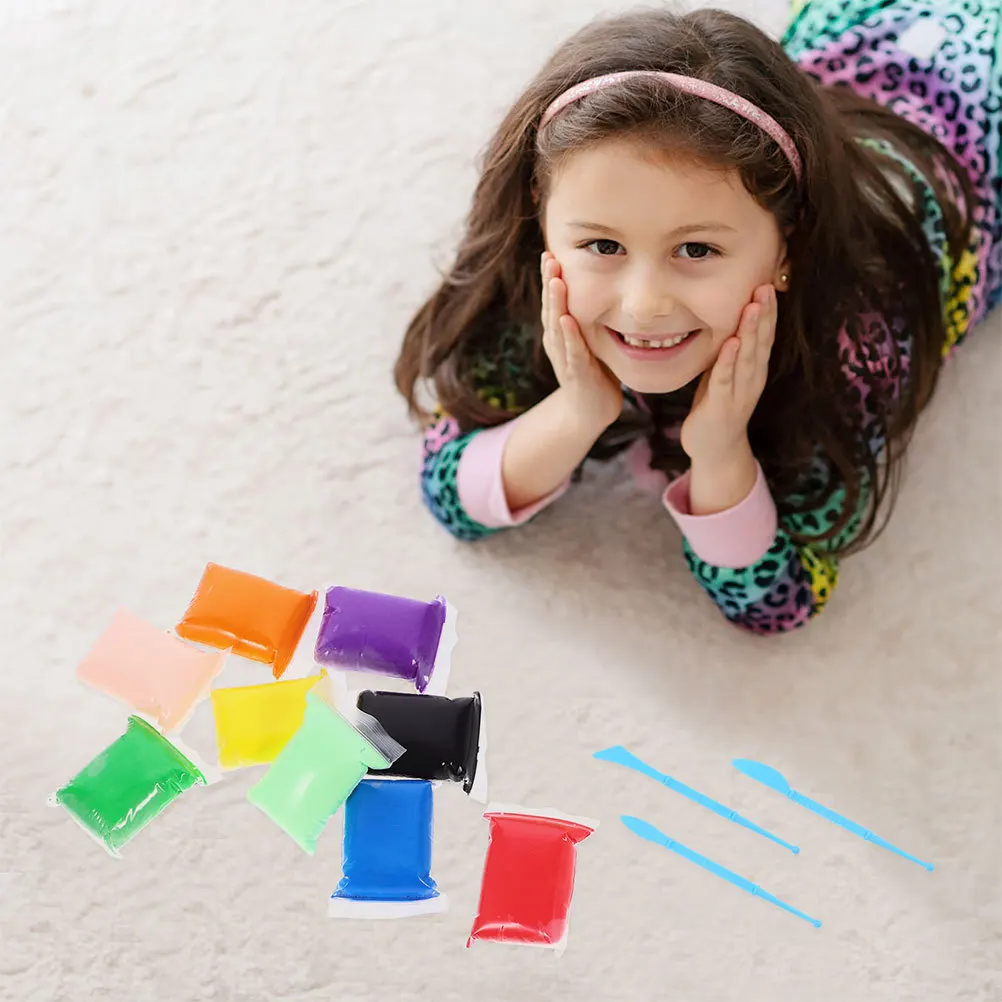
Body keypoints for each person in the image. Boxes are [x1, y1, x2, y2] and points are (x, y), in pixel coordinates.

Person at [394, 2, 1000, 634]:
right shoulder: (540, 279)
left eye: (697, 250)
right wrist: (576, 412)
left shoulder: (854, 337)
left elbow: (776, 601)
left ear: (788, 247)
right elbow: (450, 493)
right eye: (603, 245)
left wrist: (719, 451)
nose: (643, 305)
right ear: (539, 216)